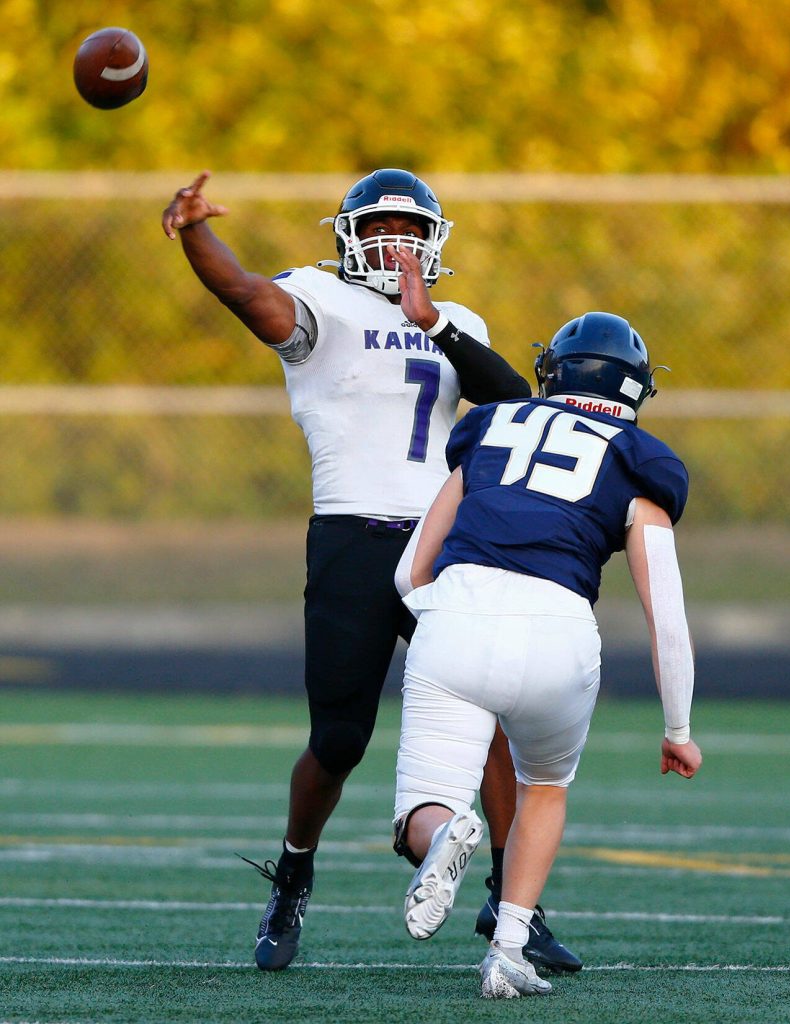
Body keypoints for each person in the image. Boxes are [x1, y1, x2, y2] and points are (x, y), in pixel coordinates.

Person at [161, 168, 580, 973]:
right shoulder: (320, 297)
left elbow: (510, 401)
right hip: (352, 536)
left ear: (435, 242)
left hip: (445, 544)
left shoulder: (456, 318)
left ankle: (512, 904)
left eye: (411, 231)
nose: (396, 244)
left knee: (494, 718)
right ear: (349, 236)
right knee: (339, 740)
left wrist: (434, 324)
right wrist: (196, 233)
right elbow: (244, 292)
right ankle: (294, 873)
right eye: (381, 229)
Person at [391, 311, 703, 999]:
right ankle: (507, 951)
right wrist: (678, 729)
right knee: (544, 787)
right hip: (559, 631)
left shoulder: (490, 427)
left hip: (459, 611)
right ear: (636, 388)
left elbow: (411, 571)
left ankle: (448, 832)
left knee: (424, 807)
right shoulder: (640, 459)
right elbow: (667, 616)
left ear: (550, 373)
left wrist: (446, 625)